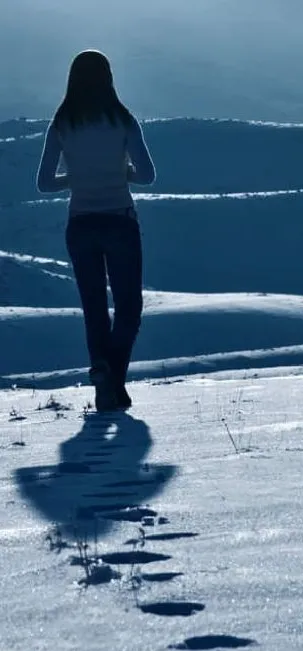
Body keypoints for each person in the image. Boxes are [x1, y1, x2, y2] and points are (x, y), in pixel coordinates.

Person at [36, 50, 156, 412]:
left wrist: (77, 177)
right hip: (119, 219)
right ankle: (112, 376)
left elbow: (43, 183)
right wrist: (119, 174)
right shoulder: (123, 120)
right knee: (129, 308)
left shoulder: (62, 123)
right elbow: (148, 175)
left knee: (94, 308)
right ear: (108, 78)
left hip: (80, 223)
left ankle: (107, 381)